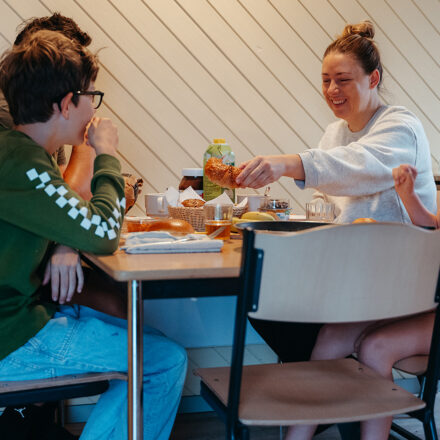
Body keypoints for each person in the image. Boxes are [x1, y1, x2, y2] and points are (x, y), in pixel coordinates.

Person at [0, 29, 186, 440]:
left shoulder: (20, 155)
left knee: (146, 345)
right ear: (67, 104)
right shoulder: (23, 164)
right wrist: (106, 155)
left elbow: (75, 223)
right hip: (10, 339)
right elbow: (101, 232)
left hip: (16, 323)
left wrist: (68, 238)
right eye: (91, 97)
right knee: (164, 360)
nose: (93, 109)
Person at [234, 20, 437, 367]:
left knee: (282, 307)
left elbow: (360, 167)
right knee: (262, 300)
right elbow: (335, 186)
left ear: (372, 79)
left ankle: (326, 400)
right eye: (326, 80)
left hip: (401, 279)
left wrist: (288, 163)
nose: (331, 89)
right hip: (354, 270)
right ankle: (322, 397)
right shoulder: (334, 133)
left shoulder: (401, 126)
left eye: (343, 80)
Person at [283, 165, 438, 440]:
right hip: (425, 302)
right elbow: (431, 231)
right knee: (332, 335)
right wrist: (408, 195)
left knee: (376, 346)